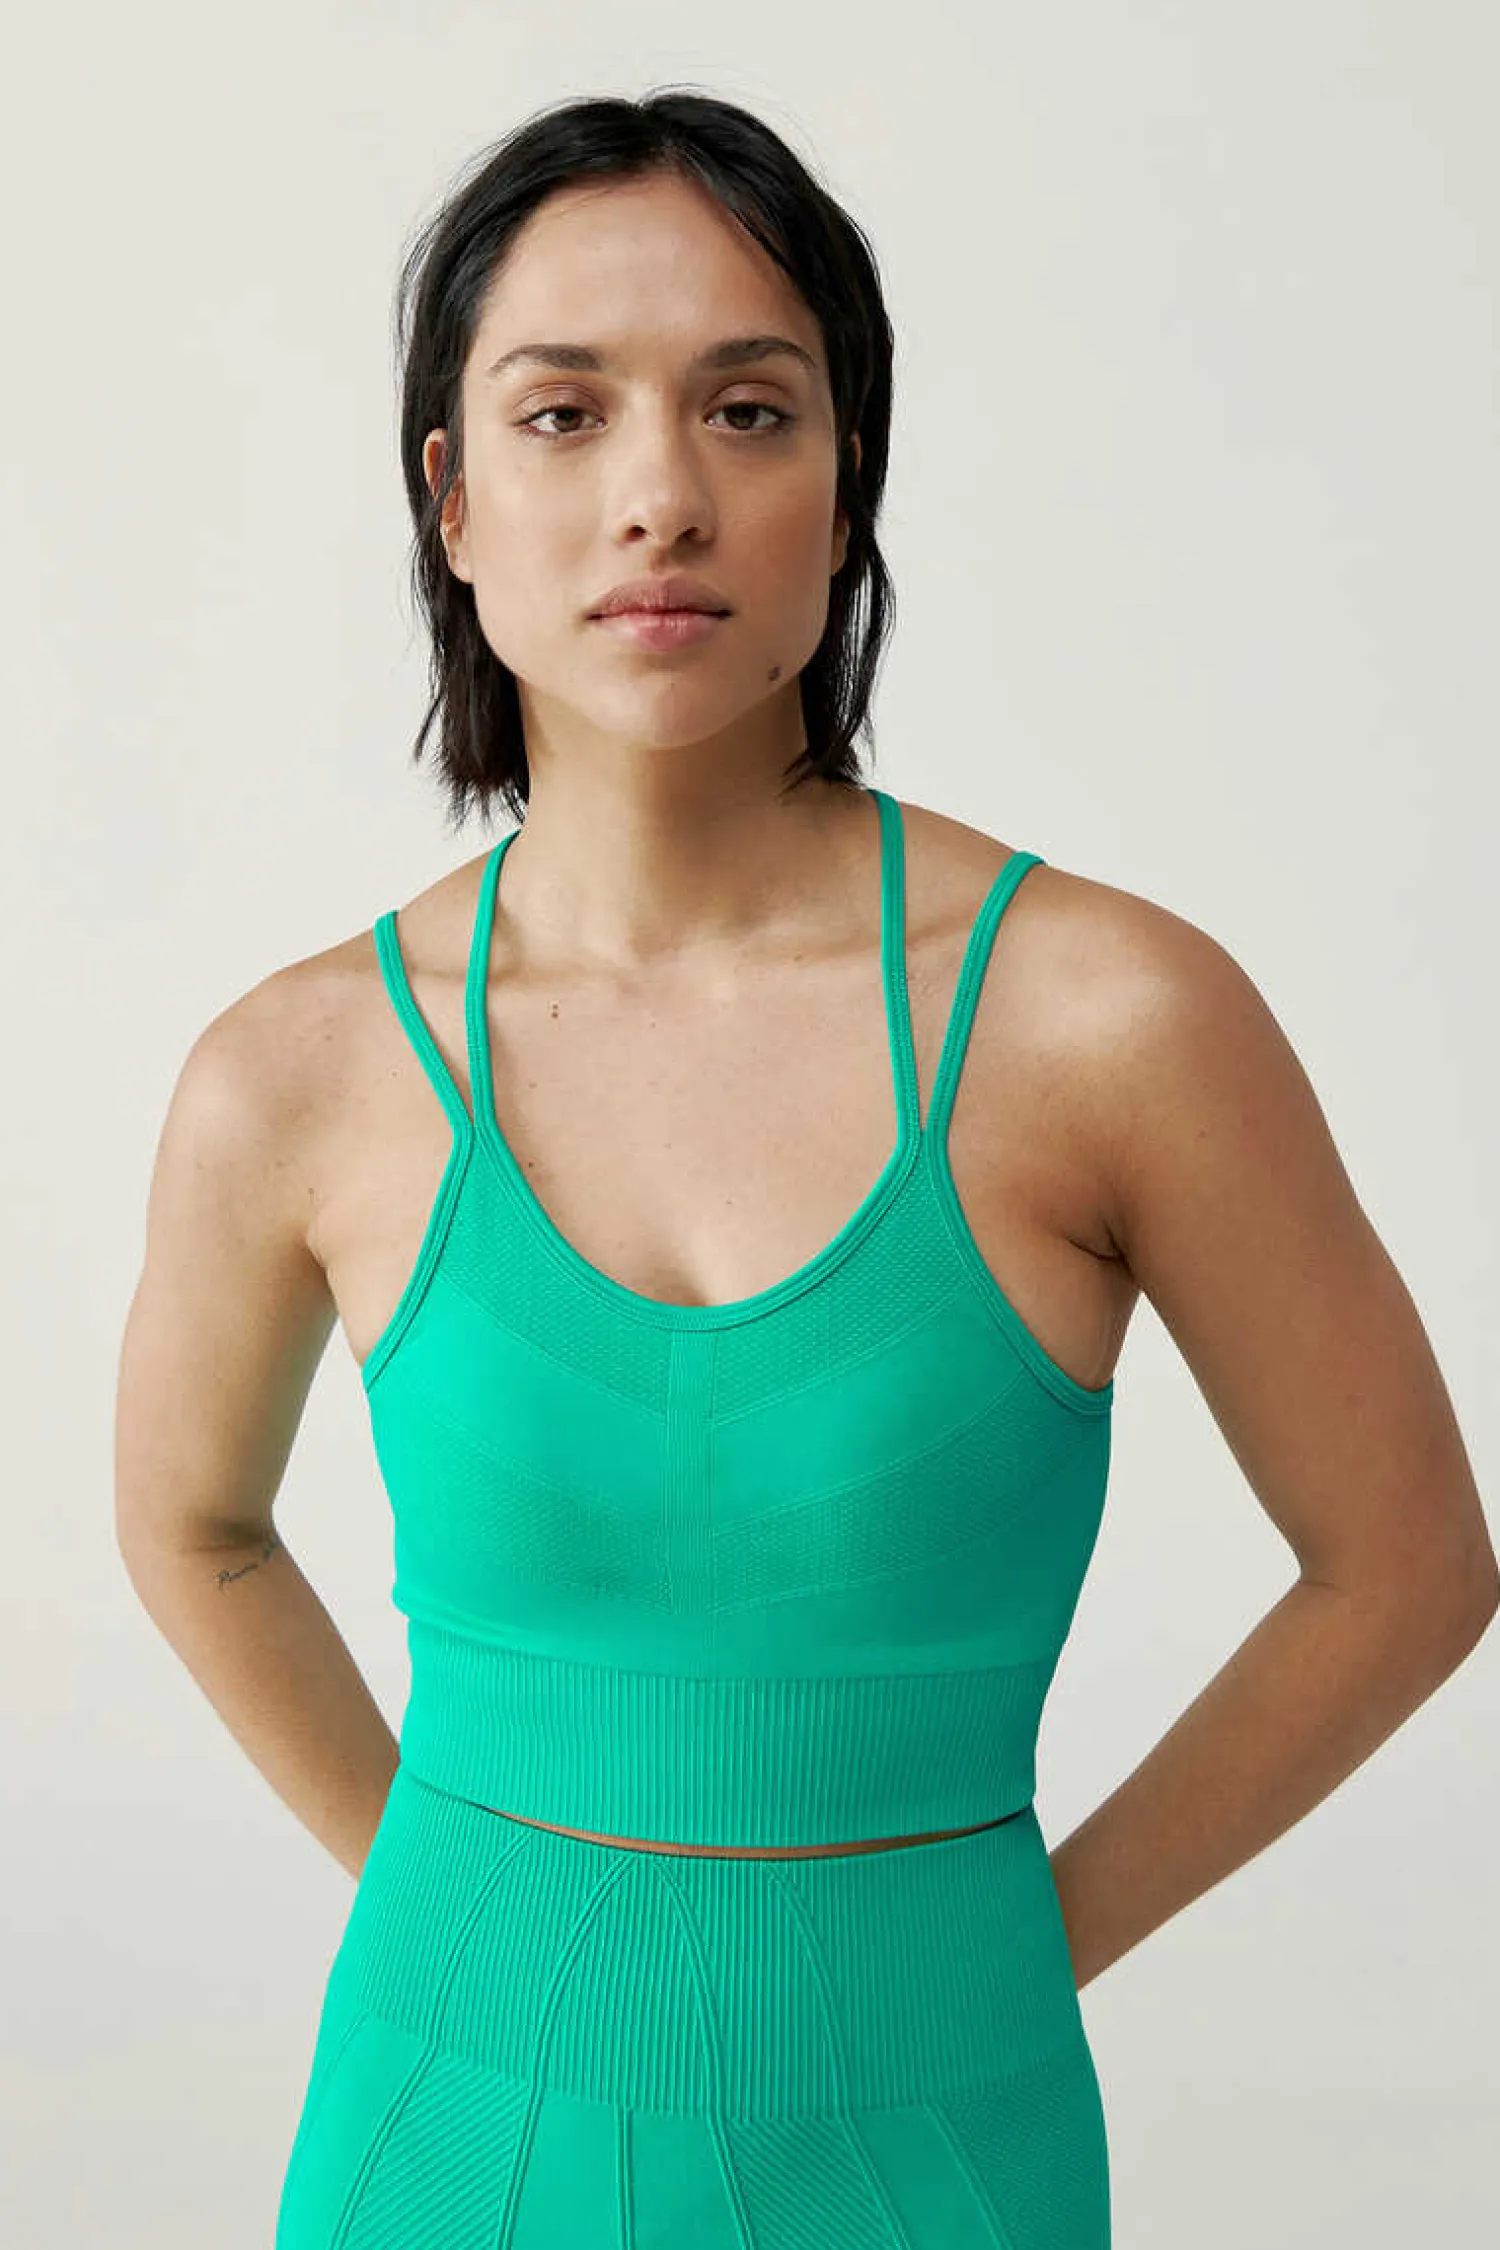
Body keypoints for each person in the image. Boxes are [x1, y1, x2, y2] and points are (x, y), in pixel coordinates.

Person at [114, 90, 1497, 2250]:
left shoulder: (1112, 1024)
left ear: (846, 488)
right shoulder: (293, 1075)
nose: (660, 495)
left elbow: (1407, 1566)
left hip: (938, 2149)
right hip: (433, 2137)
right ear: (451, 500)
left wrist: (1015, 1943)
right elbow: (189, 1526)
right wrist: (450, 1899)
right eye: (564, 413)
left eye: (749, 409)